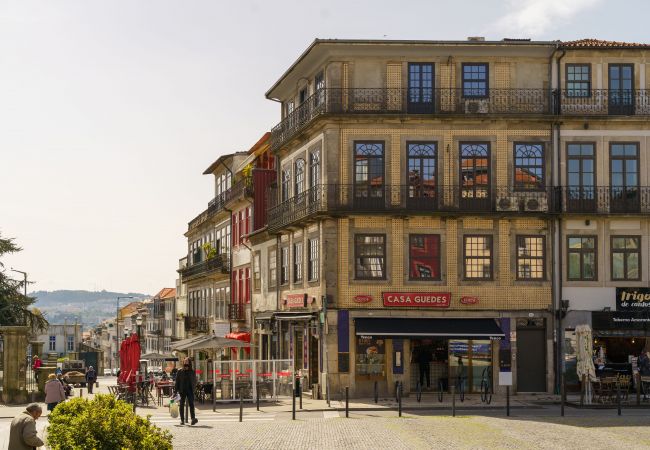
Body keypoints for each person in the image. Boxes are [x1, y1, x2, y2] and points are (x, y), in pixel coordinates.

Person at [174, 358, 198, 425]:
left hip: (190, 390)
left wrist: (194, 389)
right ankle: (182, 420)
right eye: (185, 361)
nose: (186, 362)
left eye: (187, 361)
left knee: (191, 404)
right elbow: (177, 382)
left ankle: (193, 419)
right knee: (181, 405)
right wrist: (175, 391)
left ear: (189, 362)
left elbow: (194, 381)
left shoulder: (192, 371)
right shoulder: (180, 371)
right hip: (182, 390)